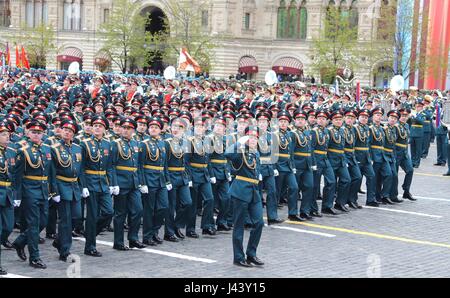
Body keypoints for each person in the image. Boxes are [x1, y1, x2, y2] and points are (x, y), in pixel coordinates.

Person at [12, 120, 52, 269]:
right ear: (27, 133)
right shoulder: (23, 150)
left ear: (43, 134)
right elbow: (17, 175)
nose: (36, 134)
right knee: (34, 224)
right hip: (29, 190)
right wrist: (17, 195)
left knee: (43, 222)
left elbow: (50, 172)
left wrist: (52, 190)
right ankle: (34, 258)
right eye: (33, 132)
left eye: (39, 132)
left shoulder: (47, 149)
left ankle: (20, 241)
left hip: (43, 189)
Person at [225, 126, 264, 267]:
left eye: (255, 137)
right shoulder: (239, 151)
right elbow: (227, 154)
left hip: (254, 191)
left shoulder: (256, 153)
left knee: (259, 222)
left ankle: (251, 254)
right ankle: (238, 257)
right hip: (240, 191)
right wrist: (239, 143)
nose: (253, 140)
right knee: (239, 225)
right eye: (250, 137)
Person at [79, 115, 114, 257]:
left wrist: (112, 183)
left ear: (105, 129)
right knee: (92, 216)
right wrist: (84, 185)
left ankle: (89, 233)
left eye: (100, 126)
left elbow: (110, 166)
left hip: (103, 183)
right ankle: (90, 246)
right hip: (91, 183)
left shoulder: (107, 144)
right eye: (95, 125)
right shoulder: (84, 144)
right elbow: (80, 167)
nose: (97, 128)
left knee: (108, 212)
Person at [49, 120, 83, 262]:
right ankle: (65, 251)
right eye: (64, 129)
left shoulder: (77, 148)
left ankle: (59, 240)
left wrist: (82, 187)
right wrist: (54, 191)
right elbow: (52, 172)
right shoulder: (54, 148)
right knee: (65, 220)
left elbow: (80, 169)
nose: (67, 132)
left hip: (74, 187)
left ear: (74, 133)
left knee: (77, 216)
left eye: (70, 130)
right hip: (62, 186)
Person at [110, 118, 146, 250]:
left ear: (133, 130)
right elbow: (112, 165)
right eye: (123, 127)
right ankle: (118, 242)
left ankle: (133, 238)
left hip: (134, 183)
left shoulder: (136, 144)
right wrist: (114, 183)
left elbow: (139, 165)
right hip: (121, 182)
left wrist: (141, 182)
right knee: (120, 213)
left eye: (128, 128)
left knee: (138, 210)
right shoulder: (115, 144)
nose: (125, 130)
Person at [139, 117, 170, 246]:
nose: (153, 129)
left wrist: (167, 180)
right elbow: (140, 165)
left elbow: (165, 164)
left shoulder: (163, 143)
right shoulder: (144, 144)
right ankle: (147, 236)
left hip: (161, 180)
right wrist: (142, 183)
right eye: (151, 127)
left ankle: (155, 231)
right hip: (149, 179)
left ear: (160, 130)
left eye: (156, 127)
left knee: (163, 207)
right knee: (149, 210)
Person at [0, 121, 16, 275]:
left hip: (8, 192)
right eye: (3, 134)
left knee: (8, 226)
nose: (7, 137)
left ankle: (3, 239)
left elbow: (15, 175)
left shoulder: (11, 152)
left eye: (8, 135)